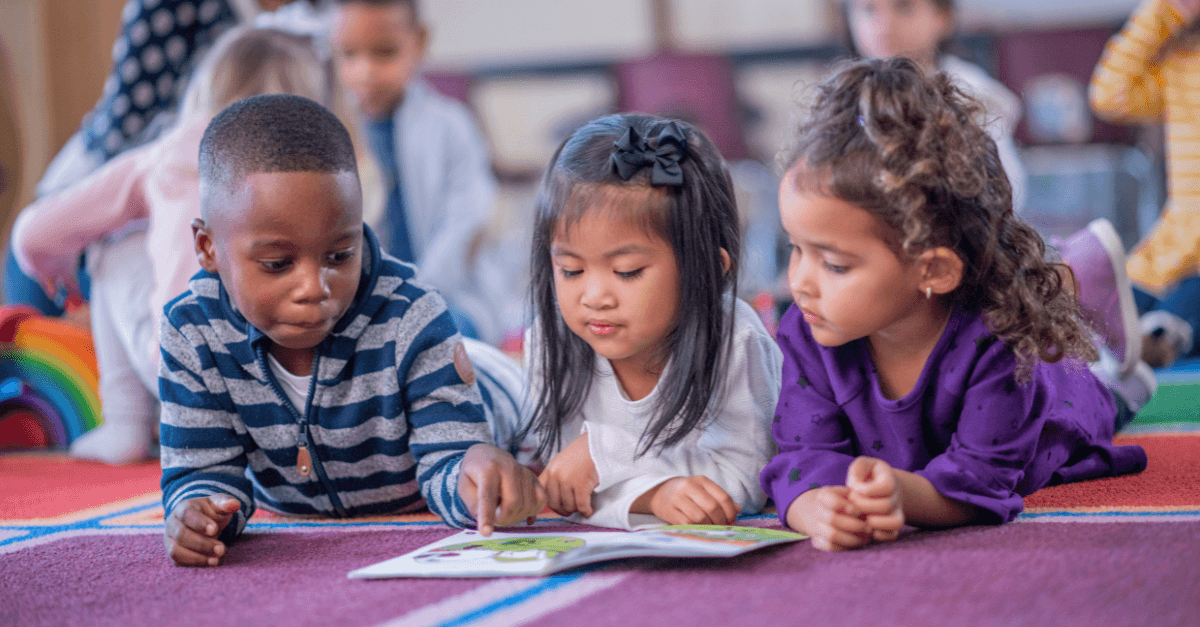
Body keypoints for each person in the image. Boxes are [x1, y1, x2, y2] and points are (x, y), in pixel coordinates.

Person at [760, 58, 1148, 552]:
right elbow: (801, 452)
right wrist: (813, 505)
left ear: (934, 270)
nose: (799, 283)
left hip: (1063, 399)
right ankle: (1076, 282)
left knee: (1111, 393)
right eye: (795, 249)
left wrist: (903, 494)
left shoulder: (999, 343)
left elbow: (982, 480)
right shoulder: (808, 329)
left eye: (833, 264)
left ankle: (1118, 347)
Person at [159, 93, 544, 567]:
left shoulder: (413, 316)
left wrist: (474, 470)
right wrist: (198, 515)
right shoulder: (193, 332)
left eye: (339, 255)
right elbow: (202, 471)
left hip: (497, 391)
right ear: (207, 248)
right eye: (278, 263)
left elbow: (449, 456)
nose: (314, 287)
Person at [11, 25, 384, 464]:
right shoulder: (335, 176)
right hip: (304, 377)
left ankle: (126, 422)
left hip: (188, 378)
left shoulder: (171, 154)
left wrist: (60, 276)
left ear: (207, 89)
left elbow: (34, 233)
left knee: (110, 249)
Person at [520, 113, 782, 531]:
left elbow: (749, 479)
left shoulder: (735, 340)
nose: (594, 297)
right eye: (571, 271)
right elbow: (567, 485)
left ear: (707, 271)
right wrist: (655, 495)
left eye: (627, 272)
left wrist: (607, 454)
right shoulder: (548, 345)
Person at [329, 0, 499, 341]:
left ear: (418, 41)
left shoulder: (450, 125)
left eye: (385, 52)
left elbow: (465, 222)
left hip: (447, 297)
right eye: (349, 55)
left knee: (440, 336)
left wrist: (412, 298)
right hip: (359, 305)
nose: (365, 72)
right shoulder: (334, 131)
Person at [1090, 0, 1200, 369]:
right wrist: (1165, 12)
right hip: (1169, 254)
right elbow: (1109, 96)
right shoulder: (1184, 60)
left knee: (1162, 333)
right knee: (1098, 331)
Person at [841, 0, 1027, 214]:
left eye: (904, 7)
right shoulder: (843, 96)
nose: (884, 24)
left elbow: (1004, 193)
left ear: (943, 17)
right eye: (868, 9)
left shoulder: (972, 93)